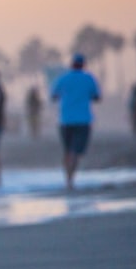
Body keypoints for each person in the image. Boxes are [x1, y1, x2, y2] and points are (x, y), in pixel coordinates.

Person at [51, 53, 101, 190]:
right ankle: (70, 179)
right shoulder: (89, 78)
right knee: (75, 151)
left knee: (67, 150)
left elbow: (53, 96)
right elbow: (97, 97)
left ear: (72, 64)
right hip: (83, 119)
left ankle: (68, 178)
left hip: (65, 120)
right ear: (83, 65)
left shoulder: (63, 78)